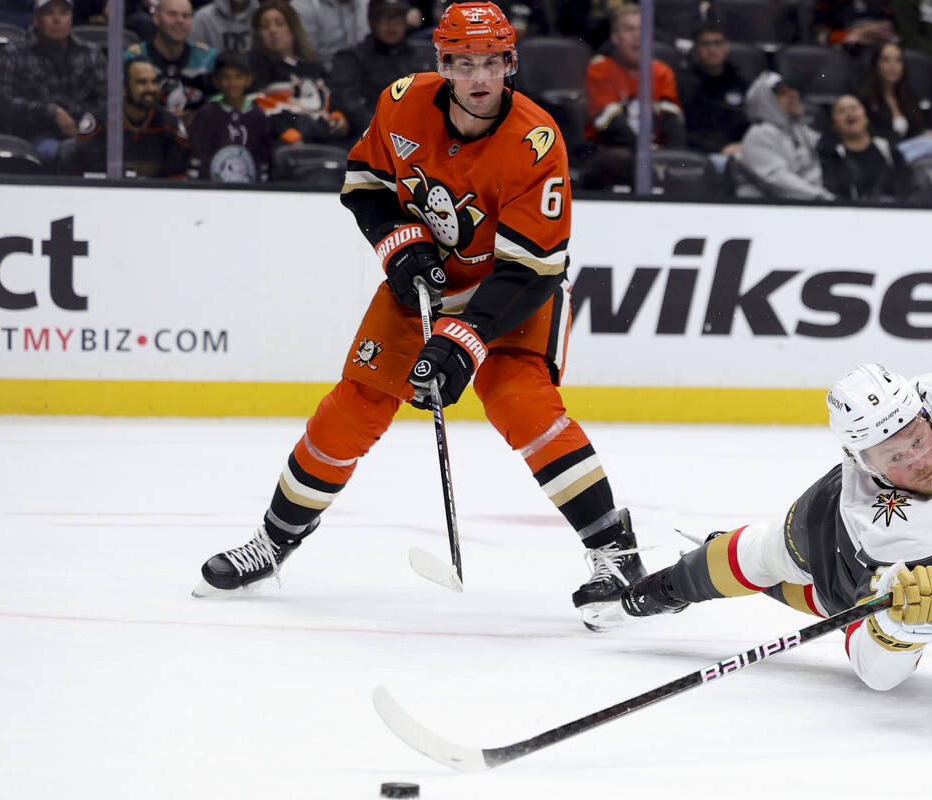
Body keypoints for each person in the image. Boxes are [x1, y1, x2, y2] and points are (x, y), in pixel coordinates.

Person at [194, 1, 648, 632]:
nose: (480, 77)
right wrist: (401, 248)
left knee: (524, 406)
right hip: (424, 288)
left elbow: (531, 269)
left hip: (512, 293)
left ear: (510, 63)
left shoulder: (536, 140)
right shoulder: (401, 103)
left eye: (492, 61)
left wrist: (462, 342)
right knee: (351, 408)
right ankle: (272, 543)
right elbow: (364, 183)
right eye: (464, 63)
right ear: (444, 65)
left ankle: (615, 554)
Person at [617, 363, 932, 691]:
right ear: (862, 462)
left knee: (795, 587)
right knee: (764, 557)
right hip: (830, 533)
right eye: (892, 458)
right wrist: (897, 633)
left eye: (917, 440)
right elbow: (874, 671)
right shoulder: (878, 524)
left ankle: (757, 584)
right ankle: (661, 590)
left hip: (927, 555)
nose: (920, 464)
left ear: (925, 414)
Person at [581, 2, 685, 190]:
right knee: (620, 159)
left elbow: (673, 122)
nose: (638, 36)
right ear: (615, 37)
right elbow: (610, 124)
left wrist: (670, 154)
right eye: (630, 29)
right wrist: (643, 149)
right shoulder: (600, 68)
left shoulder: (661, 71)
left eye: (642, 29)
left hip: (654, 151)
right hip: (608, 151)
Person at [0, 0, 106, 164]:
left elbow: (107, 100)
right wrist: (52, 112)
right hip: (32, 137)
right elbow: (2, 101)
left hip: (85, 134)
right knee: (66, 153)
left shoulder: (91, 52)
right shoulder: (14, 53)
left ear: (72, 17)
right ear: (36, 19)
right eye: (49, 13)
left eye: (63, 13)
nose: (57, 19)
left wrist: (81, 125)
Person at [248, 0, 349, 146]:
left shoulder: (313, 65)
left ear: (293, 28)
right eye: (265, 27)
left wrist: (338, 117)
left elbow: (333, 98)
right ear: (258, 34)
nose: (272, 31)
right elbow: (255, 105)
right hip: (281, 141)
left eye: (279, 24)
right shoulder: (256, 68)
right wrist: (285, 131)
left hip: (324, 136)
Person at [71, 58, 191, 177]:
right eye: (142, 82)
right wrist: (130, 172)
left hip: (157, 194)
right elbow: (86, 172)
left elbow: (178, 175)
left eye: (154, 82)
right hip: (109, 193)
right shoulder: (98, 121)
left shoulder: (170, 123)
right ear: (123, 88)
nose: (150, 88)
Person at [329, 0, 421, 142]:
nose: (391, 24)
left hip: (417, 135)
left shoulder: (420, 56)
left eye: (398, 17)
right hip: (369, 138)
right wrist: (383, 129)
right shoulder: (351, 58)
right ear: (372, 20)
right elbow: (348, 103)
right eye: (384, 17)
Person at [734, 71, 832, 201]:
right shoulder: (759, 134)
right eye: (783, 94)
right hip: (764, 211)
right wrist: (820, 196)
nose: (793, 95)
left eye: (792, 90)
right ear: (765, 102)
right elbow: (779, 180)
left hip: (804, 206)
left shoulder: (799, 131)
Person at [124, 0, 218, 124]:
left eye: (186, 16)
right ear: (156, 18)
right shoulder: (133, 58)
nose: (180, 21)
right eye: (172, 14)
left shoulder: (208, 58)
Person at [188, 51, 273, 181]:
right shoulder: (207, 114)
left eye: (238, 77)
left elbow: (263, 159)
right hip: (213, 192)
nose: (232, 83)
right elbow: (196, 156)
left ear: (248, 80)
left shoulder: (258, 115)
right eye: (226, 77)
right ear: (216, 81)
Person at [676, 22, 750, 159]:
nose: (712, 49)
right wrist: (720, 148)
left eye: (718, 43)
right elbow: (685, 131)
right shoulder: (684, 85)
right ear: (695, 50)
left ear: (727, 47)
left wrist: (743, 145)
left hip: (741, 151)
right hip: (701, 154)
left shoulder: (741, 82)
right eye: (705, 44)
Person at [820, 93, 911, 201]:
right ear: (834, 125)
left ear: (866, 117)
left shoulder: (889, 151)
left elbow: (907, 189)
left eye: (854, 108)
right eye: (841, 111)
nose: (849, 113)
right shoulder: (833, 158)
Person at [857, 41, 932, 144]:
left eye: (898, 60)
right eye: (886, 60)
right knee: (930, 144)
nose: (893, 66)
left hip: (908, 152)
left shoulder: (909, 97)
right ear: (876, 64)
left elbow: (918, 128)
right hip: (882, 152)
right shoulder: (865, 99)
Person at [290, 0, 368, 69]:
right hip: (324, 76)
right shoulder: (304, 5)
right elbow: (306, 58)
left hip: (367, 74)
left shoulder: (369, 3)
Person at [812, 0, 896, 49]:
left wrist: (865, 31)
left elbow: (891, 29)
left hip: (878, 53)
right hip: (839, 54)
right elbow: (822, 38)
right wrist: (851, 35)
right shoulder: (827, 3)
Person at [190, 0, 259, 54]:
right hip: (213, 69)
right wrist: (211, 52)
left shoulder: (261, 16)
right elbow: (196, 46)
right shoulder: (203, 17)